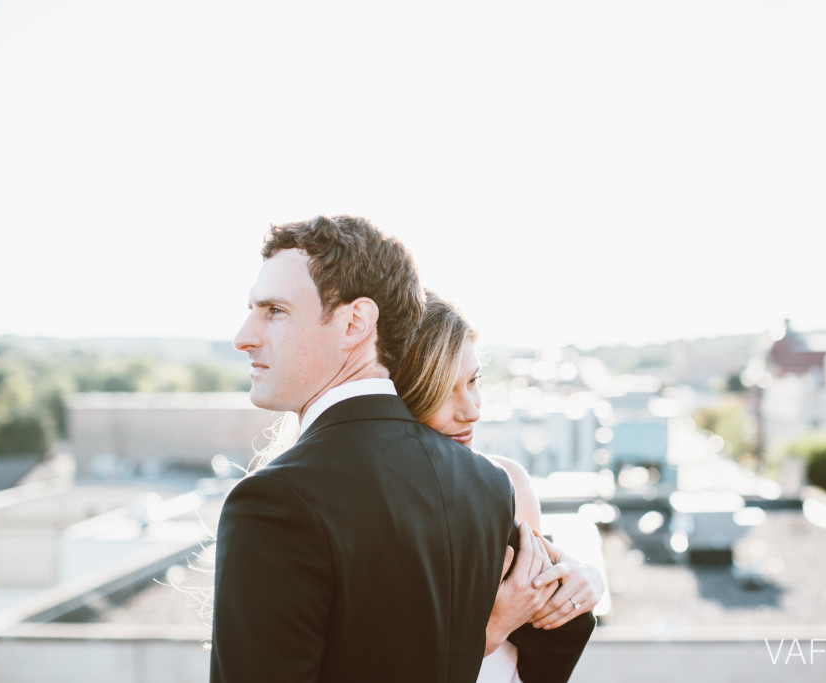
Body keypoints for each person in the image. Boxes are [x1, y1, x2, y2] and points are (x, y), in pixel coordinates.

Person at [210, 215, 520, 682]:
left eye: (275, 311)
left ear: (356, 322)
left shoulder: (274, 502)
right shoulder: (487, 484)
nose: (243, 336)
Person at [393, 292, 604, 683]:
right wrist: (492, 629)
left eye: (473, 381)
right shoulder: (368, 509)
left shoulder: (507, 485)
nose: (472, 409)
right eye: (443, 391)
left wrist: (584, 580)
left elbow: (538, 654)